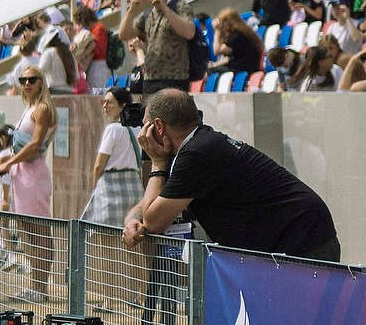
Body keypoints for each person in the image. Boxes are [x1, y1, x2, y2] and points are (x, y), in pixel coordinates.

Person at [123, 90, 340, 263]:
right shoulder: (199, 144)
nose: (143, 135)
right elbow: (153, 206)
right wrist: (132, 220)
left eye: (146, 126)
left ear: (159, 127)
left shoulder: (198, 153)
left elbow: (153, 221)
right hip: (296, 237)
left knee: (298, 318)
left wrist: (157, 163)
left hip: (304, 241)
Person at [0, 67, 56, 301]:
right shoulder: (28, 109)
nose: (27, 84)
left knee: (39, 232)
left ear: (41, 82)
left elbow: (34, 145)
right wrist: (2, 160)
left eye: (32, 79)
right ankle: (34, 285)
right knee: (28, 233)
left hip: (33, 175)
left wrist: (9, 163)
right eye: (23, 80)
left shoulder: (42, 109)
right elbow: (20, 146)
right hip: (23, 174)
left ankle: (40, 288)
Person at [81, 88, 144, 226]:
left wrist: (94, 189)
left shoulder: (112, 129)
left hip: (110, 188)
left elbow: (99, 165)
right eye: (104, 102)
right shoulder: (138, 129)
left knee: (107, 236)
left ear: (122, 106)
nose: (105, 106)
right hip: (134, 187)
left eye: (109, 102)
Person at [118, 0, 196, 93]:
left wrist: (163, 6)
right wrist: (132, 8)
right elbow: (124, 35)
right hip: (151, 78)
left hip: (175, 78)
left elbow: (189, 33)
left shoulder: (180, 6)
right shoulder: (148, 14)